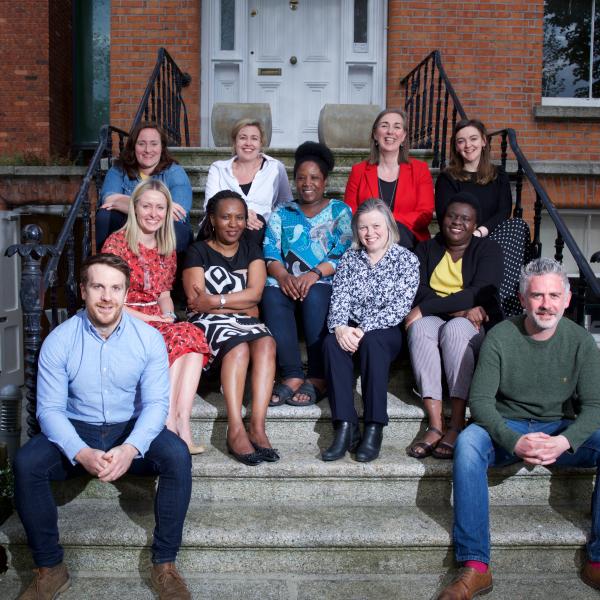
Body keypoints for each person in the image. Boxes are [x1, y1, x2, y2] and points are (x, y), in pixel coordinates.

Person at [13, 254, 193, 600]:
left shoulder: (148, 339)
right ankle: (50, 569)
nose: (107, 297)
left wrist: (131, 448)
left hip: (130, 427)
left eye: (115, 288)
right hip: (76, 427)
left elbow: (156, 405)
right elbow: (49, 410)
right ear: (83, 290)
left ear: (126, 293)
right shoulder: (60, 340)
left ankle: (165, 565)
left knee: (177, 455)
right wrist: (79, 451)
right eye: (98, 286)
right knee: (27, 463)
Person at [436, 258, 600, 599]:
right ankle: (475, 567)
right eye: (537, 295)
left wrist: (564, 442)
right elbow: (480, 402)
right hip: (506, 428)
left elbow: (595, 407)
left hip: (557, 428)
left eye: (554, 295)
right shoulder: (501, 336)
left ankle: (597, 560)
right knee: (468, 445)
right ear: (523, 299)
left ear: (567, 299)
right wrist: (515, 440)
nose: (546, 304)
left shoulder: (581, 342)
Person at [102, 179, 209, 454]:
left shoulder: (166, 245)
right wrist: (153, 321)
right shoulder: (117, 243)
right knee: (175, 338)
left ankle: (181, 420)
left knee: (192, 333)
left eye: (160, 207)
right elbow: (111, 302)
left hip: (154, 316)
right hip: (123, 317)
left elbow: (163, 293)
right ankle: (167, 421)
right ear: (135, 208)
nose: (153, 213)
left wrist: (169, 314)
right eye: (146, 206)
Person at [405, 191, 503, 460]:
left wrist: (427, 308)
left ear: (474, 224)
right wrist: (457, 307)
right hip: (449, 317)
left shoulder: (489, 250)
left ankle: (458, 423)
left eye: (466, 219)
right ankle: (436, 424)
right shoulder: (425, 249)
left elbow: (480, 292)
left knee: (456, 329)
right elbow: (416, 289)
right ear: (442, 219)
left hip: (473, 325)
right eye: (452, 216)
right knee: (421, 328)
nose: (457, 222)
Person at [183, 190, 277, 466]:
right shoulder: (197, 251)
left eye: (239, 217)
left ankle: (257, 426)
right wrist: (238, 303)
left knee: (267, 343)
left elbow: (256, 296)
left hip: (241, 320)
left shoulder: (251, 249)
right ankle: (235, 427)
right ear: (212, 219)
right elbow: (196, 304)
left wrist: (216, 300)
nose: (233, 224)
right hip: (207, 324)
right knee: (237, 348)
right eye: (226, 217)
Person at [322, 199, 420, 462]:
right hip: (351, 327)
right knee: (331, 343)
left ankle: (374, 426)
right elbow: (339, 298)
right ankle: (345, 425)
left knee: (373, 343)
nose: (370, 233)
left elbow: (400, 307)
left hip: (385, 331)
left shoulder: (406, 259)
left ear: (389, 226)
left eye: (376, 225)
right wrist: (341, 328)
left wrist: (362, 329)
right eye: (363, 227)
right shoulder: (350, 259)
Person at [262, 141, 352, 407]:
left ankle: (317, 376)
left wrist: (313, 274)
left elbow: (343, 251)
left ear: (325, 181)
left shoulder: (340, 211)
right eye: (301, 178)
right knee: (271, 294)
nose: (307, 183)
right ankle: (290, 374)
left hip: (323, 278)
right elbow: (270, 250)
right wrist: (283, 277)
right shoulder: (282, 211)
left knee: (315, 294)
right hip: (286, 278)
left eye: (314, 178)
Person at [344, 108, 434, 249]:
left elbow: (425, 214)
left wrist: (385, 222)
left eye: (397, 127)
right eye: (384, 125)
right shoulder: (358, 171)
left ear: (403, 136)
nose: (390, 131)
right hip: (369, 240)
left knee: (399, 238)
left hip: (409, 240)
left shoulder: (420, 170)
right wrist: (374, 228)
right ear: (375, 134)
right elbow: (350, 212)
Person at [97, 121, 194, 253]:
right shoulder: (119, 170)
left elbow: (178, 214)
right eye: (141, 144)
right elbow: (108, 200)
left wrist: (129, 205)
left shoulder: (174, 172)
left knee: (178, 228)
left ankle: (170, 272)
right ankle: (106, 266)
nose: (148, 150)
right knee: (105, 216)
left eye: (154, 144)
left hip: (163, 228)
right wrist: (157, 208)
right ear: (133, 146)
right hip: (129, 225)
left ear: (162, 147)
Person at [204, 118, 292, 247]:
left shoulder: (275, 168)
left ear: (261, 143)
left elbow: (285, 205)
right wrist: (242, 215)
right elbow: (209, 205)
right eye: (243, 138)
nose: (248, 143)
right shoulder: (218, 168)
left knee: (255, 226)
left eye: (254, 138)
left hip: (258, 231)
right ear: (235, 142)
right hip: (222, 226)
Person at [435, 118, 511, 238]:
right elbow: (446, 218)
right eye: (461, 141)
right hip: (460, 240)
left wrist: (480, 232)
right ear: (456, 147)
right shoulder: (447, 178)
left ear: (484, 141)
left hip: (491, 238)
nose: (468, 145)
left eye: (473, 139)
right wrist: (471, 237)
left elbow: (504, 212)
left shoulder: (499, 175)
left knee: (518, 225)